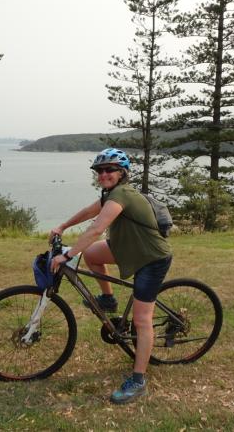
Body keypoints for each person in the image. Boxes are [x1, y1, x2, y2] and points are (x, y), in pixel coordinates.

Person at [50, 147, 172, 404]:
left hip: (151, 258)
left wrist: (68, 255)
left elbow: (96, 228)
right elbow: (88, 212)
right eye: (100, 171)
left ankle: (138, 381)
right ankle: (108, 299)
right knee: (92, 256)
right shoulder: (109, 195)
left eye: (109, 170)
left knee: (141, 319)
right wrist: (63, 225)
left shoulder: (122, 194)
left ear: (122, 173)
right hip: (127, 249)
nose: (103, 174)